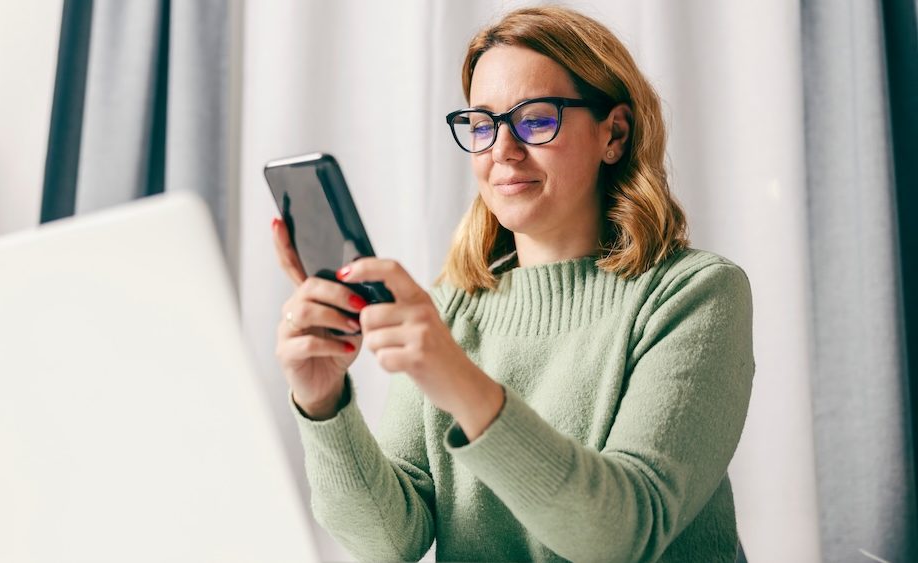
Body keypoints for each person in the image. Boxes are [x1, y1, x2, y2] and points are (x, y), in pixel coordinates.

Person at [270, 6, 753, 562]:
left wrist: (454, 376)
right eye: (481, 124)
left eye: (536, 119)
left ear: (613, 133)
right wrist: (323, 402)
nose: (502, 149)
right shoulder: (451, 308)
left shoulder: (695, 295)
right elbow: (389, 542)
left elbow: (620, 535)